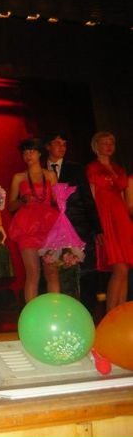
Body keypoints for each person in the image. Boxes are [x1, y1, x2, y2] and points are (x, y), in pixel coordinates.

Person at [43, 133, 103, 311]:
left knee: (85, 271)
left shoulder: (76, 169)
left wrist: (97, 228)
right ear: (47, 147)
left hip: (78, 226)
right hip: (51, 229)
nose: (62, 147)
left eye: (64, 144)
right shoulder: (39, 170)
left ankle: (87, 312)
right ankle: (62, 311)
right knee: (57, 271)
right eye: (57, 143)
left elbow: (87, 198)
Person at [8, 138, 60, 303]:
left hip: (49, 225)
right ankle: (30, 313)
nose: (28, 155)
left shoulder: (50, 175)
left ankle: (55, 311)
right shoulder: (19, 177)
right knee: (32, 273)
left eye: (31, 151)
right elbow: (10, 206)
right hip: (27, 227)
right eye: (25, 152)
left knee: (52, 272)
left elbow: (58, 201)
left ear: (39, 153)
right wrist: (23, 200)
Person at [86, 131, 133, 311]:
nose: (109, 146)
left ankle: (120, 313)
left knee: (125, 269)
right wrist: (96, 225)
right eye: (104, 143)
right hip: (105, 219)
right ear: (96, 147)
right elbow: (91, 198)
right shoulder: (92, 168)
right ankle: (111, 314)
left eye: (111, 143)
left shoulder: (119, 169)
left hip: (121, 220)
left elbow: (123, 198)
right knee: (119, 268)